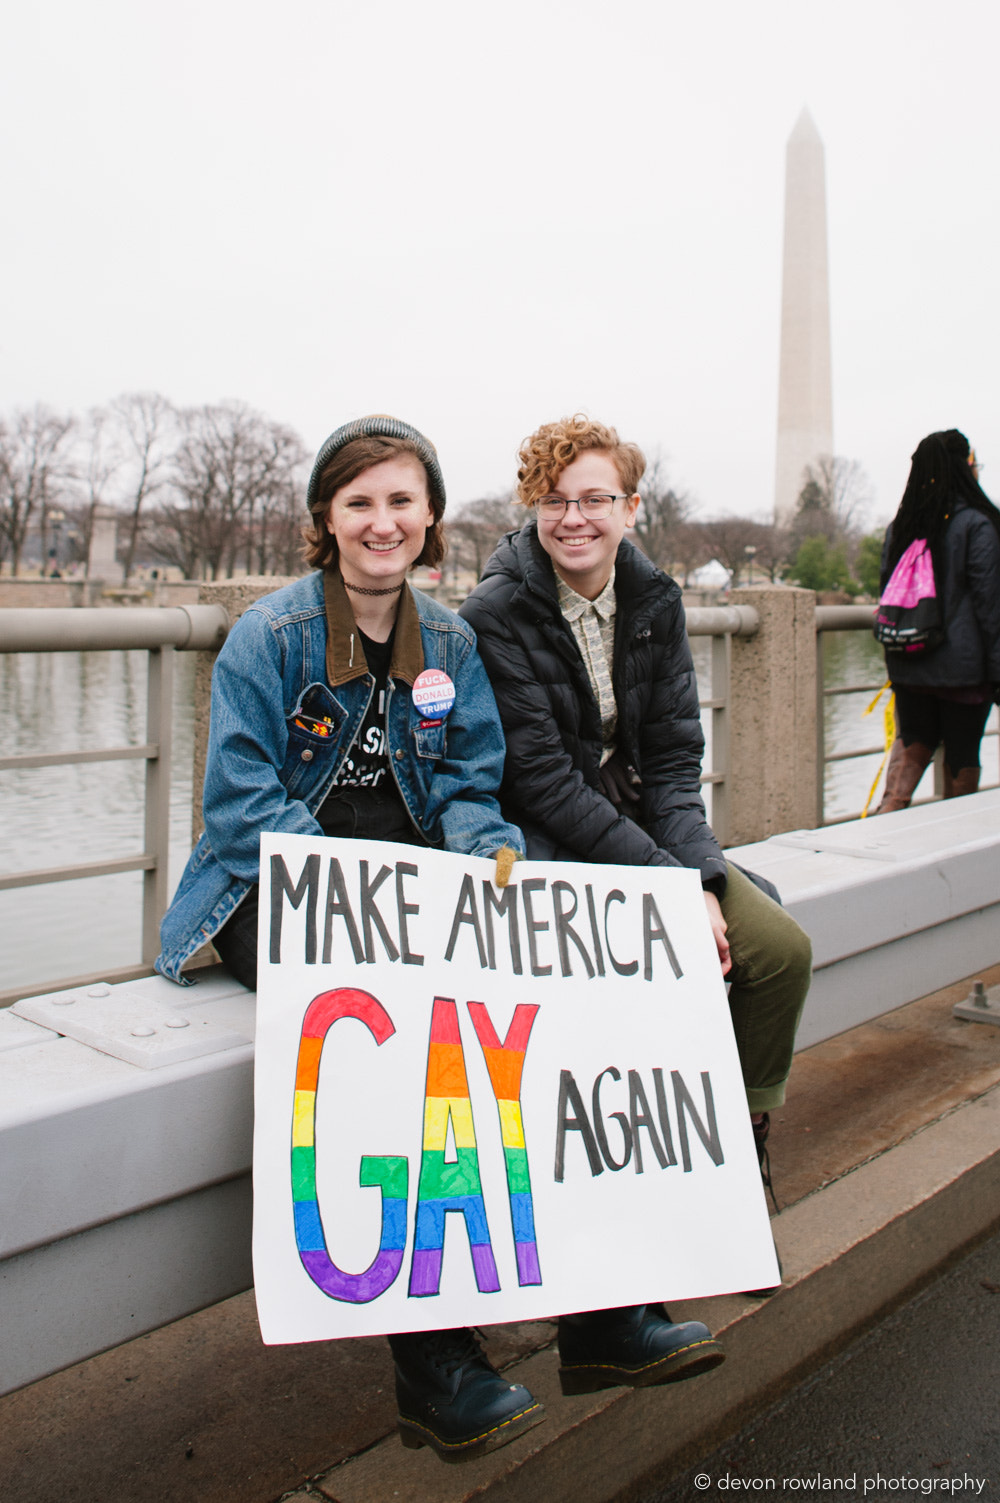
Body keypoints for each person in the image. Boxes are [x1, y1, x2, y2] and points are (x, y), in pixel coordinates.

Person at [155, 415, 543, 1463]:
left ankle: (603, 1301)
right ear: (324, 520)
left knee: (521, 1014)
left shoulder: (450, 642)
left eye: (401, 501)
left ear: (431, 518)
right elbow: (240, 806)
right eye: (360, 502)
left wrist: (488, 854)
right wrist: (355, 888)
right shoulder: (270, 636)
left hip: (402, 899)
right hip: (271, 891)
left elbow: (465, 787)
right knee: (395, 1041)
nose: (383, 522)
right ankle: (435, 1363)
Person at [460, 414, 812, 1302]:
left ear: (630, 505)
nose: (574, 518)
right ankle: (628, 1228)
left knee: (774, 950)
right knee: (640, 973)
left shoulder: (655, 599)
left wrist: (696, 875)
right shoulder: (496, 611)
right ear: (533, 507)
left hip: (640, 830)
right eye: (555, 500)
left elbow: (675, 760)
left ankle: (735, 1153)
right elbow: (541, 783)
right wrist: (669, 885)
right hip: (549, 841)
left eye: (595, 499)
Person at [875, 429, 1000, 812]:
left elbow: (886, 591)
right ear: (965, 466)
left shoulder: (902, 526)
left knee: (912, 749)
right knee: (962, 758)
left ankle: (885, 826)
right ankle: (954, 842)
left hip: (908, 663)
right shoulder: (976, 524)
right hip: (962, 673)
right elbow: (989, 606)